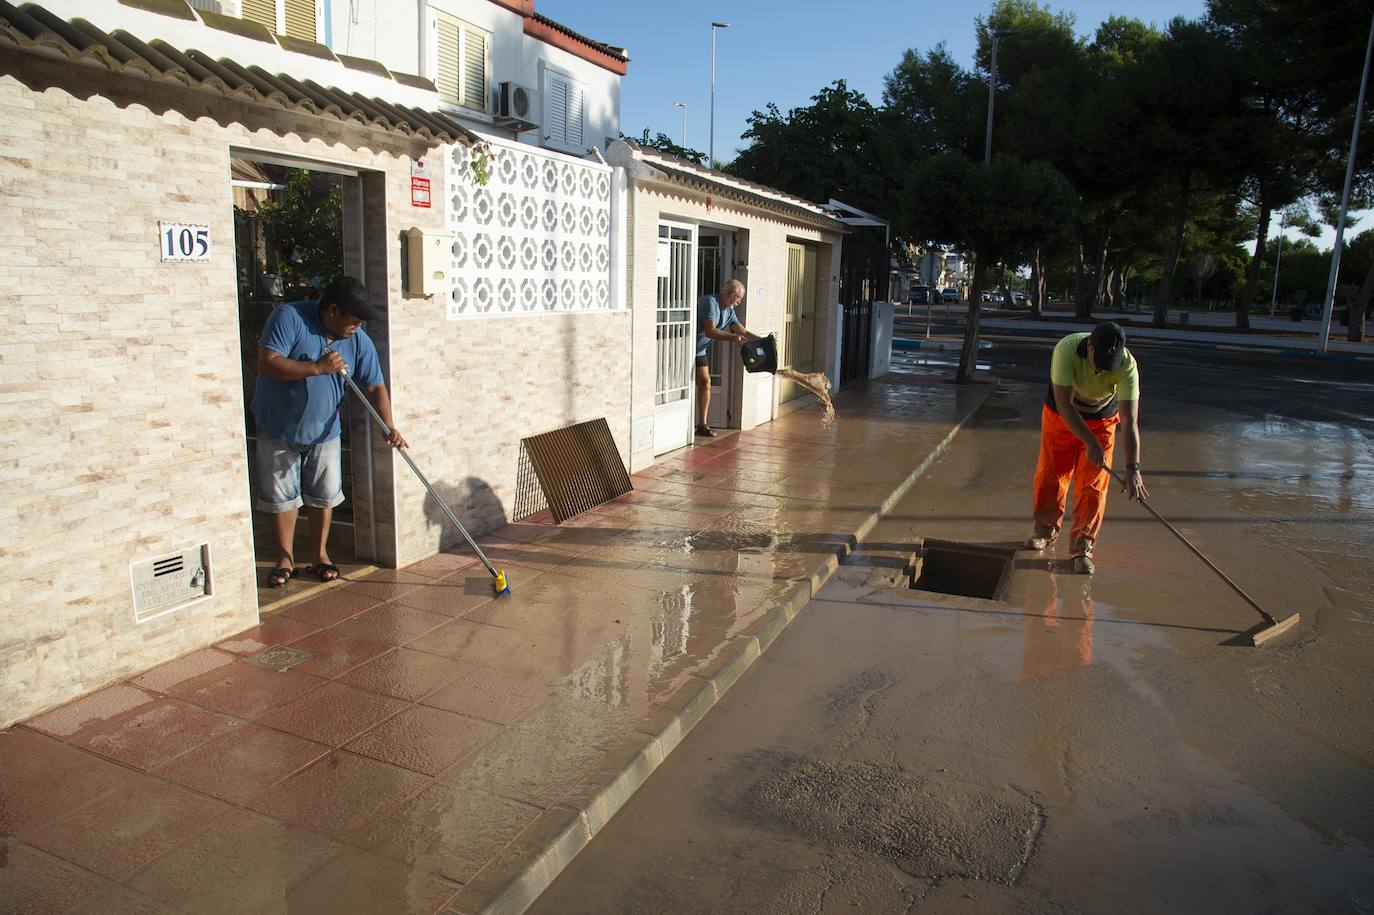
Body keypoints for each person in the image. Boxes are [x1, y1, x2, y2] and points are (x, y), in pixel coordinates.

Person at [251, 276, 406, 587]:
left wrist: (387, 424)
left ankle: (319, 555)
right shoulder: (290, 318)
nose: (357, 327)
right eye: (354, 320)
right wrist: (317, 368)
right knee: (282, 496)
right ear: (333, 311)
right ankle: (285, 558)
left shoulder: (358, 340)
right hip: (278, 426)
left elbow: (375, 385)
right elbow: (267, 362)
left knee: (324, 494)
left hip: (325, 432)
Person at [1024, 322, 1147, 574]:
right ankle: (1045, 529)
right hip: (1061, 416)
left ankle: (1082, 546)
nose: (1101, 370)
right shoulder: (1066, 349)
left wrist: (1133, 468)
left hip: (1102, 421)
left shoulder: (1128, 367)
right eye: (1098, 361)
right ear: (1089, 346)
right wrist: (1089, 442)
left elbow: (1129, 421)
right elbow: (1065, 405)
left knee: (1093, 485)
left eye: (1108, 366)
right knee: (1052, 475)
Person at [695, 279, 761, 438]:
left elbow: (742, 331)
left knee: (705, 382)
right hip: (684, 346)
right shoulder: (710, 303)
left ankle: (702, 425)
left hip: (699, 350)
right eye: (739, 298)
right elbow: (710, 331)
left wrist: (763, 341)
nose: (739, 302)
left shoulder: (728, 311)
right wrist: (733, 338)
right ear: (731, 294)